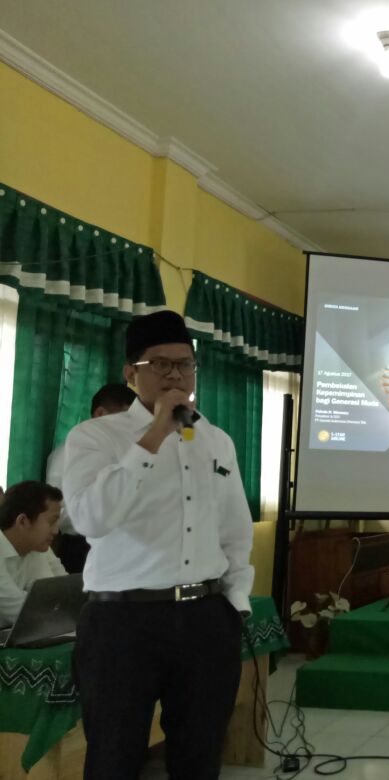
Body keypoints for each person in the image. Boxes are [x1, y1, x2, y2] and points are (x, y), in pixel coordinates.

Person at [62, 310, 254, 780]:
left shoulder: (216, 440)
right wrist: (153, 436)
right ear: (131, 373)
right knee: (114, 756)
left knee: (199, 756)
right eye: (161, 364)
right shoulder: (94, 437)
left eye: (185, 364)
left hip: (205, 619)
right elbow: (91, 519)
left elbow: (234, 528)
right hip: (122, 622)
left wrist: (235, 603)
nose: (175, 375)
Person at [46, 383, 137, 573]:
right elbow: (60, 511)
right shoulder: (69, 451)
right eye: (123, 418)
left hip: (122, 545)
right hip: (80, 545)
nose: (129, 427)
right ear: (100, 413)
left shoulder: (130, 450)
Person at [0, 481, 67, 627]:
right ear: (23, 521)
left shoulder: (36, 548)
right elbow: (20, 611)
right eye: (51, 522)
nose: (56, 531)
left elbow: (61, 594)